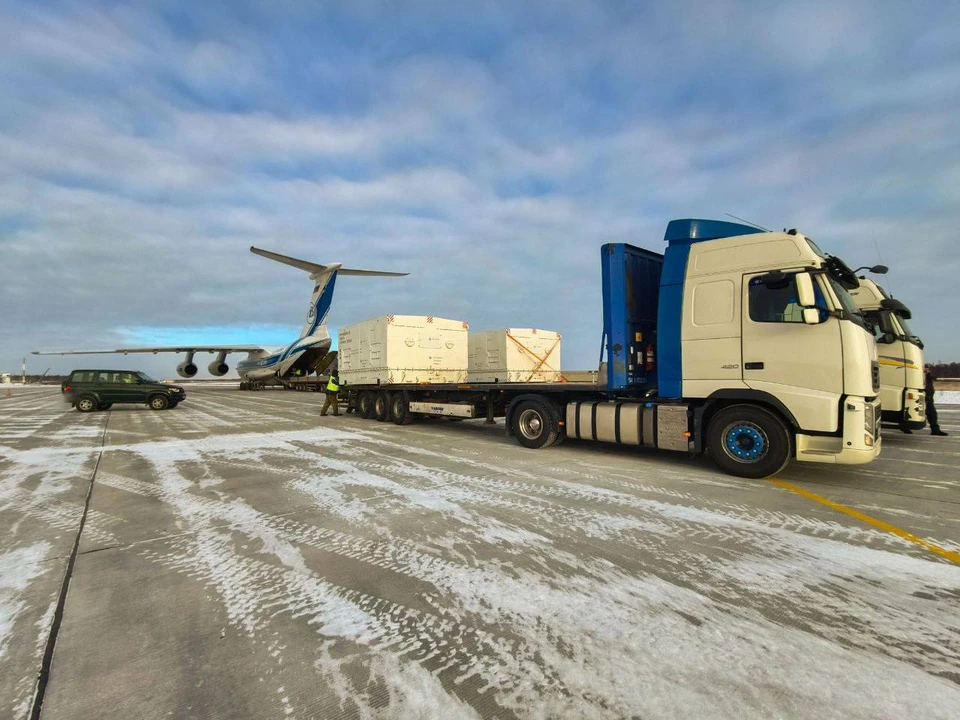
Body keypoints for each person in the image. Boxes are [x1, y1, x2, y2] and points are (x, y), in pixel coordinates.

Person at [924, 365, 948, 436]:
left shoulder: (928, 377)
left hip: (929, 398)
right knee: (932, 414)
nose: (927, 370)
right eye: (926, 369)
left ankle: (935, 430)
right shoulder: (920, 377)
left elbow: (934, 377)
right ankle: (935, 430)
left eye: (928, 369)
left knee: (932, 415)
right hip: (925, 398)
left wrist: (928, 374)